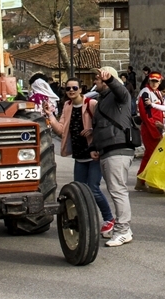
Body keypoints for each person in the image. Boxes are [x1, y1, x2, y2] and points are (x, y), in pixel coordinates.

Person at [45, 78, 115, 238]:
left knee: (93, 188)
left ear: (80, 89)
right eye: (68, 88)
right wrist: (50, 115)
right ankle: (84, 221)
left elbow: (102, 122)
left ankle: (109, 219)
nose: (71, 91)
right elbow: (62, 130)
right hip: (79, 155)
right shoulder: (68, 106)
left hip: (93, 153)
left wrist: (91, 129)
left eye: (74, 88)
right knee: (79, 191)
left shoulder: (91, 104)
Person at [89, 67, 136, 247]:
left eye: (98, 79)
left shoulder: (119, 96)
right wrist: (94, 146)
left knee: (118, 190)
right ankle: (123, 227)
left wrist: (110, 80)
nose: (95, 81)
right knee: (115, 189)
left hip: (119, 148)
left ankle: (123, 230)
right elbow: (100, 126)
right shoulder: (103, 100)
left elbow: (122, 91)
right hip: (107, 149)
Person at [135, 71, 165, 192]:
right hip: (150, 129)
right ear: (149, 80)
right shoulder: (146, 93)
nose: (154, 83)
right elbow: (145, 115)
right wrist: (155, 131)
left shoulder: (157, 92)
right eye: (152, 81)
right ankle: (153, 183)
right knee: (155, 155)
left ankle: (141, 181)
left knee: (149, 155)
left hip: (156, 127)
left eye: (156, 81)